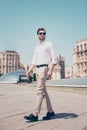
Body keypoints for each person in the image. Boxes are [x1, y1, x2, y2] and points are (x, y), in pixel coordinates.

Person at [24, 27, 57, 122]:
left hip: (44, 69)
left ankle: (35, 114)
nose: (42, 34)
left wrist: (50, 70)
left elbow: (53, 59)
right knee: (44, 91)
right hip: (37, 69)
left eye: (44, 33)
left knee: (39, 91)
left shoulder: (49, 44)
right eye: (41, 33)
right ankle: (50, 111)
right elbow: (34, 60)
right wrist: (29, 70)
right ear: (37, 35)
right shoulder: (37, 47)